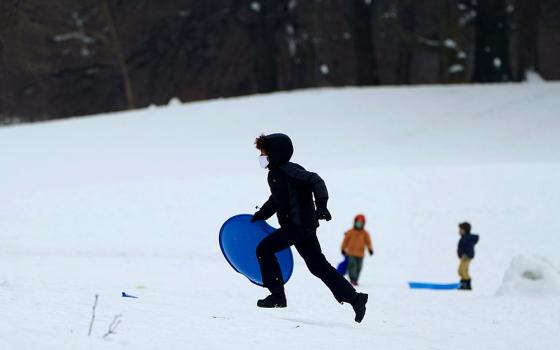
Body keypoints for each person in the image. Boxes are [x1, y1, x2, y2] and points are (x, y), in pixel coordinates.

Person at [251, 133, 368, 323]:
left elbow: (316, 180)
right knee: (318, 266)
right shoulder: (275, 174)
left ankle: (277, 296)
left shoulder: (289, 171)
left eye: (265, 152)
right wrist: (261, 215)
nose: (262, 156)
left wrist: (321, 206)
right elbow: (277, 200)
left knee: (264, 250)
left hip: (298, 227)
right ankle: (355, 299)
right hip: (302, 227)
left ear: (276, 153)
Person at [341, 215, 373, 286]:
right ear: (355, 222)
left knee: (359, 267)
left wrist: (370, 249)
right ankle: (352, 279)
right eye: (357, 223)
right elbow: (345, 241)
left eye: (361, 223)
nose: (359, 224)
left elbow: (368, 242)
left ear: (363, 224)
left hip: (360, 254)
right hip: (351, 253)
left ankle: (355, 279)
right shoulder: (350, 232)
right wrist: (343, 249)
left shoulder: (365, 233)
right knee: (352, 266)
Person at [457, 222, 479, 290]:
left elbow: (470, 248)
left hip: (466, 258)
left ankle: (467, 284)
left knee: (462, 270)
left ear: (464, 230)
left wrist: (466, 255)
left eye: (460, 230)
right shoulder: (464, 238)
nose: (459, 231)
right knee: (461, 271)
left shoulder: (467, 239)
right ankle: (463, 283)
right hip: (464, 258)